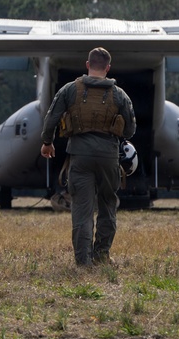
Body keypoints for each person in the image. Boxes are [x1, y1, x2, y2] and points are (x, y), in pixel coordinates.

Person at [41, 47, 136, 267]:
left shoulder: (69, 90)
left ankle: (83, 262)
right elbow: (130, 129)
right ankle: (102, 256)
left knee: (82, 209)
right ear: (108, 68)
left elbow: (51, 118)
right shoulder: (119, 95)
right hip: (108, 157)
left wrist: (47, 143)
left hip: (80, 156)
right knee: (107, 205)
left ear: (87, 65)